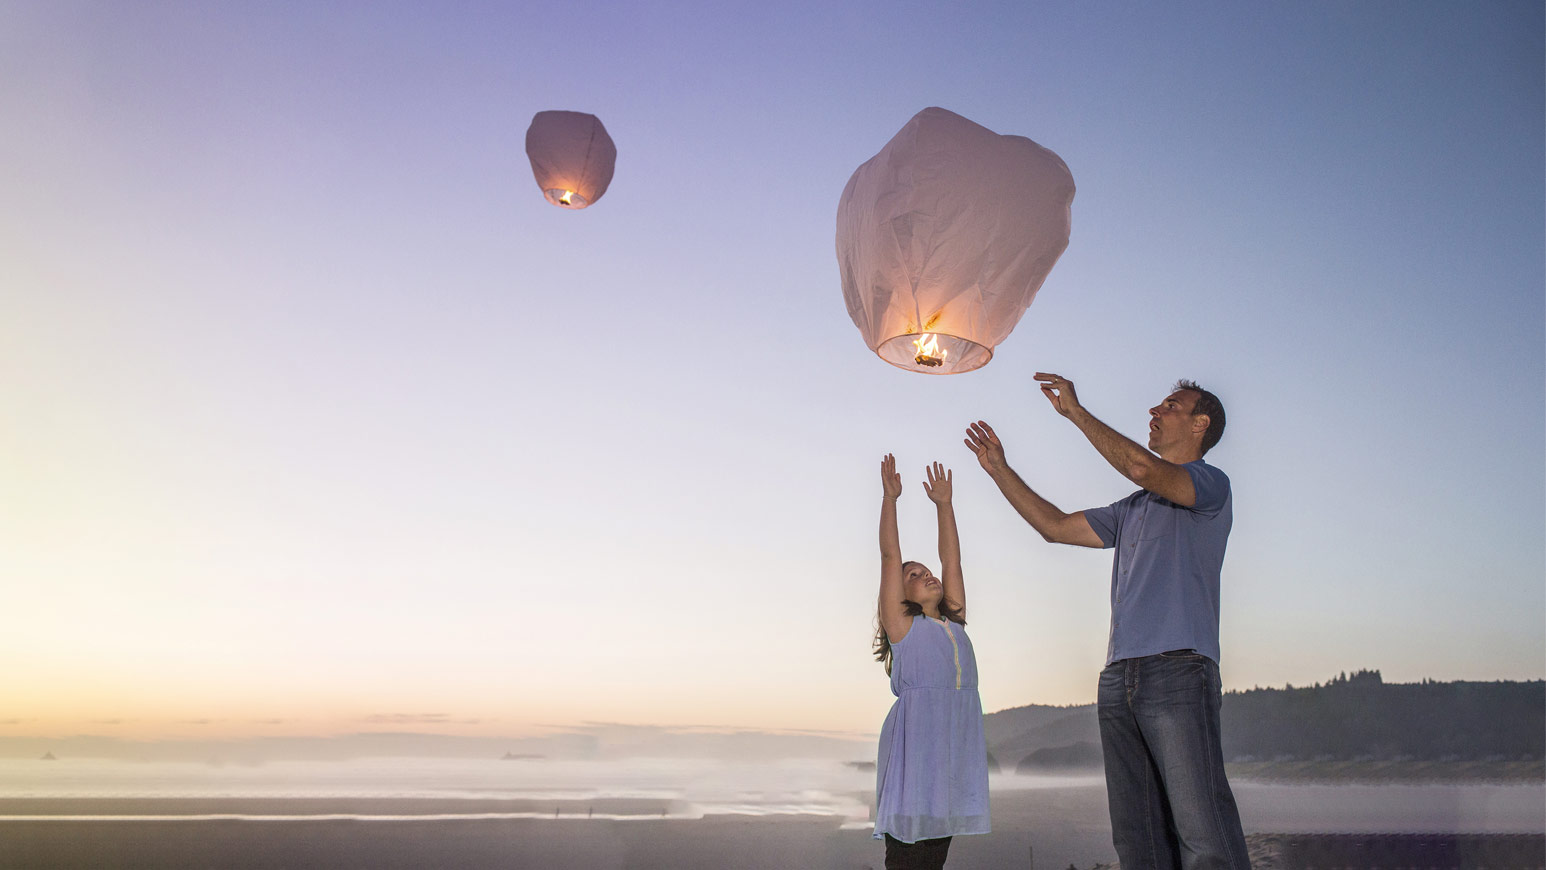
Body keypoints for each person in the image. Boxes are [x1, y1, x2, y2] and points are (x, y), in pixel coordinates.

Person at [964, 374, 1248, 870]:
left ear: (1200, 424)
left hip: (1179, 671)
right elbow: (1054, 527)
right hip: (1119, 679)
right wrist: (998, 470)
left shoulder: (1210, 485)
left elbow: (1141, 466)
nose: (1154, 411)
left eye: (1171, 406)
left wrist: (1075, 412)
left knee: (1204, 836)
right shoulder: (1132, 509)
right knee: (1138, 841)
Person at [871, 455, 991, 870]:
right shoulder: (904, 626)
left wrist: (945, 506)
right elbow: (890, 557)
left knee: (935, 854)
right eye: (914, 575)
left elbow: (951, 560)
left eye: (925, 571)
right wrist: (891, 499)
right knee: (906, 855)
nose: (926, 575)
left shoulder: (954, 621)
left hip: (952, 748)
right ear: (900, 596)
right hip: (917, 750)